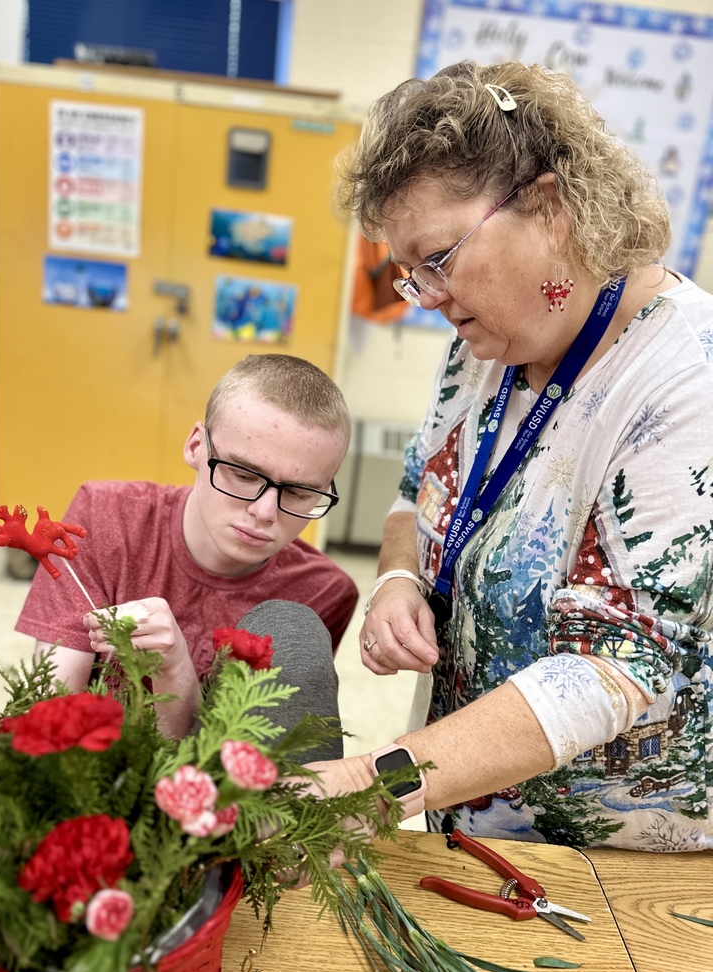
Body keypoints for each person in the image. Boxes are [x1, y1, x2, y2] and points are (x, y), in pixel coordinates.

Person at [303, 60, 713, 852]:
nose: (423, 297)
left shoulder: (686, 376)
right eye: (408, 272)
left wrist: (364, 784)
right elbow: (413, 494)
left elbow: (609, 671)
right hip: (471, 821)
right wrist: (397, 577)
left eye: (440, 260)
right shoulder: (488, 346)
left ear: (550, 208)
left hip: (611, 867)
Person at [16, 354, 358, 745]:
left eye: (300, 493)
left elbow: (240, 768)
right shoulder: (103, 514)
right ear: (197, 446)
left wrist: (176, 669)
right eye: (243, 475)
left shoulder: (322, 593)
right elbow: (48, 723)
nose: (264, 513)